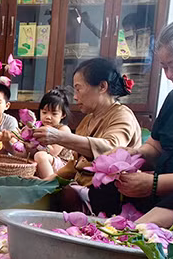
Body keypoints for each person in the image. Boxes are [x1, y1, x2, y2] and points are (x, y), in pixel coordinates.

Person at [90, 15, 173, 233]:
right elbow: (155, 147)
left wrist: (155, 184)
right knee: (105, 184)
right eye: (164, 67)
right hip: (161, 192)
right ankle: (127, 232)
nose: (169, 75)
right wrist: (134, 154)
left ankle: (131, 232)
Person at [33, 58, 141, 187]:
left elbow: (111, 149)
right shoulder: (87, 120)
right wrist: (47, 182)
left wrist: (60, 137)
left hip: (108, 193)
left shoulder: (122, 115)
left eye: (78, 89)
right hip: (81, 188)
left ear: (102, 87)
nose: (75, 97)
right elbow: (77, 164)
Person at [30, 88, 74, 179]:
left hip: (63, 166)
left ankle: (50, 186)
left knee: (40, 155)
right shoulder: (38, 126)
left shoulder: (63, 129)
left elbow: (53, 152)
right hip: (46, 162)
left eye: (54, 114)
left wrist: (36, 141)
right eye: (44, 112)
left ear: (63, 115)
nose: (48, 117)